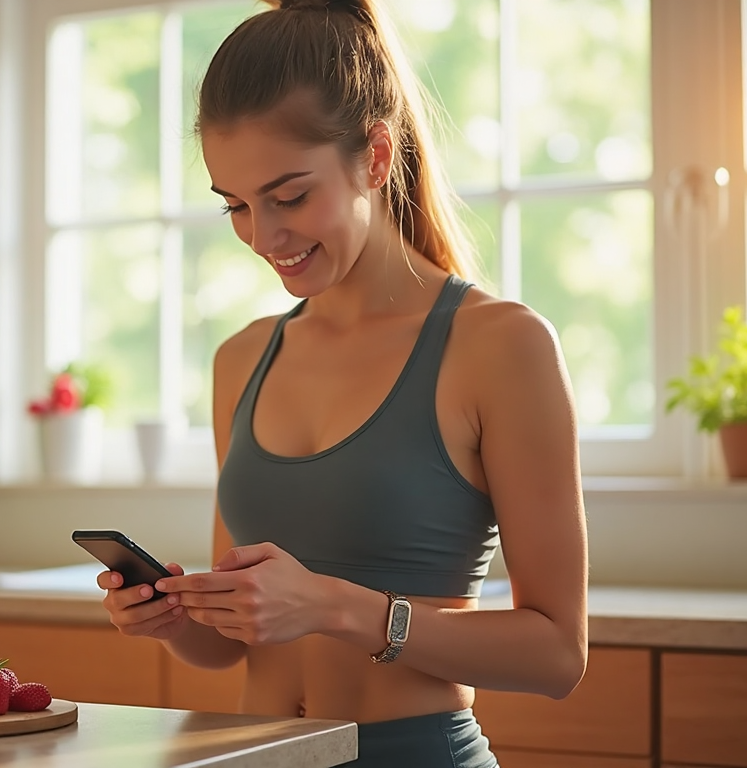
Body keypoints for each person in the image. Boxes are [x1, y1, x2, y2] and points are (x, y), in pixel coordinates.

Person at [95, 1, 589, 765]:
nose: (263, 237)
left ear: (376, 157)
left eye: (289, 196)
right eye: (236, 205)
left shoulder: (501, 346)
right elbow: (232, 647)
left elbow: (557, 655)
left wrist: (334, 604)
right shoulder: (243, 358)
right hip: (255, 752)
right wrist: (174, 617)